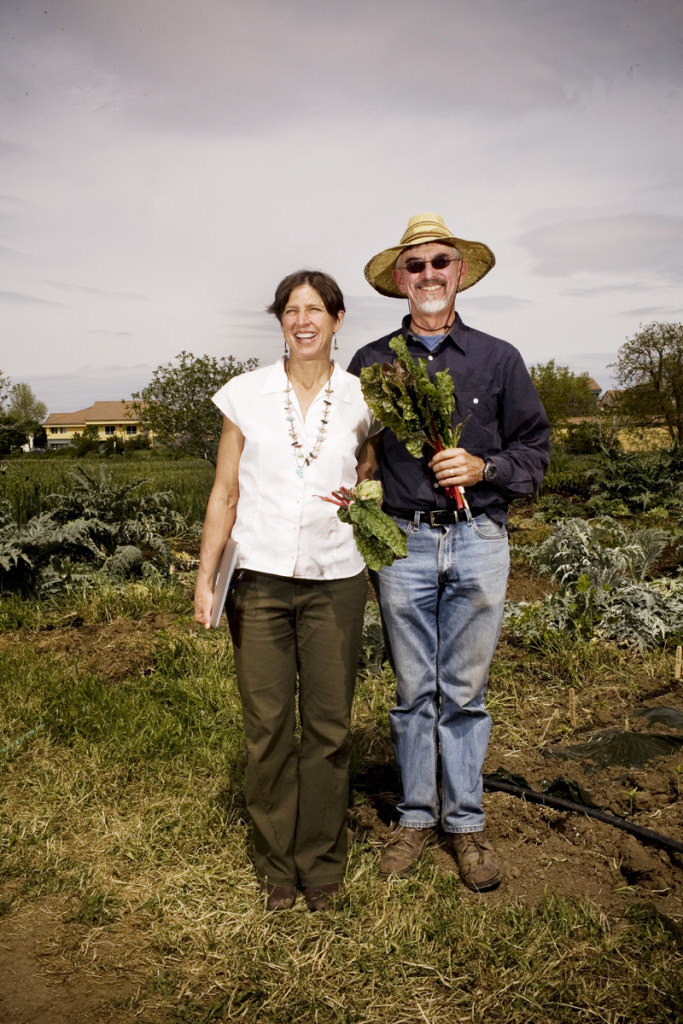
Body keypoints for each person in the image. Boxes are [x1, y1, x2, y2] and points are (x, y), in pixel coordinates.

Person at [348, 213, 550, 892]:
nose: (428, 274)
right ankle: (412, 818)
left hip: (478, 539)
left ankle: (463, 824)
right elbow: (359, 451)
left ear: (458, 271)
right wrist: (360, 497)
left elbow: (534, 453)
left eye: (440, 262)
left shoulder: (498, 359)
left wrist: (482, 468)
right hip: (402, 541)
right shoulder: (372, 363)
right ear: (399, 280)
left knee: (463, 694)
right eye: (415, 265)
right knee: (413, 693)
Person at [195, 270, 377, 912]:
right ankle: (276, 864)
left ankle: (321, 864)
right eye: (291, 311)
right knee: (268, 725)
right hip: (261, 582)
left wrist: (367, 499)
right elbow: (225, 492)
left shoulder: (363, 399)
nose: (303, 321)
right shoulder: (245, 396)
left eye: (315, 310)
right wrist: (205, 575)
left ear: (336, 319)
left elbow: (370, 483)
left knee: (328, 728)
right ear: (280, 322)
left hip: (336, 580)